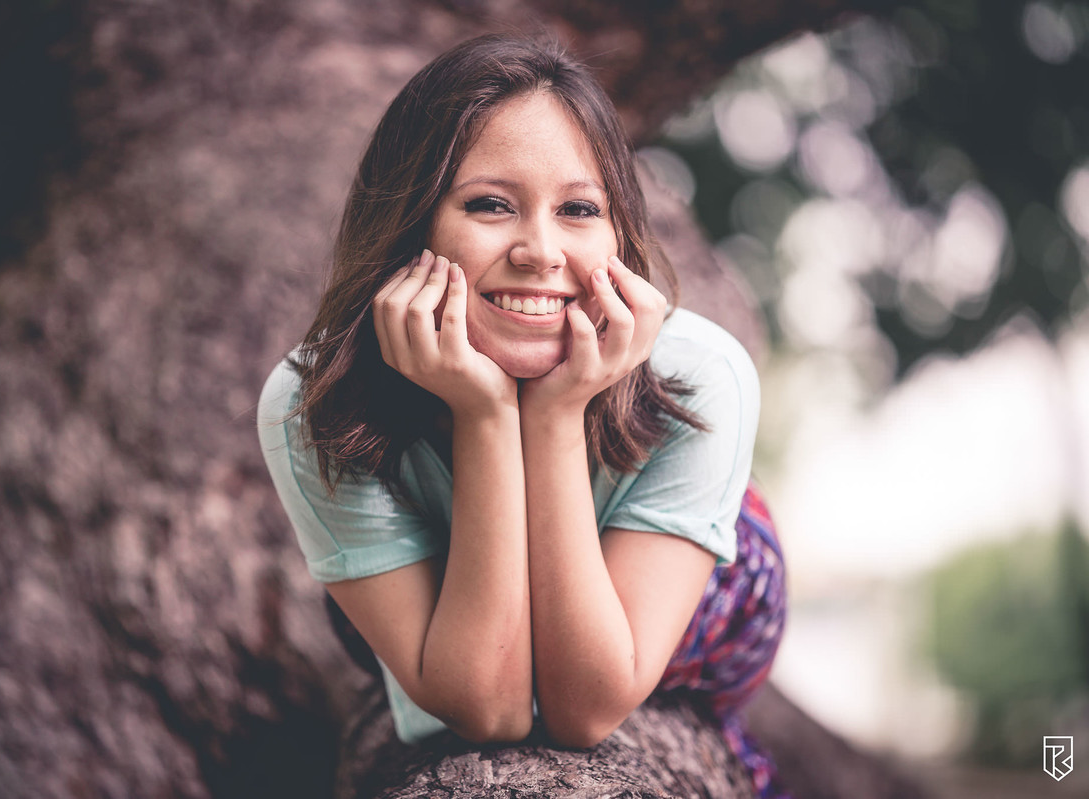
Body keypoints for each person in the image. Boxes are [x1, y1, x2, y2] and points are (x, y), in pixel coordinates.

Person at [258, 33, 788, 798]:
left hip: (693, 606)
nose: (541, 250)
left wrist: (556, 412)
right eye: (490, 204)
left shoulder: (701, 373)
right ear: (411, 224)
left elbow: (583, 711)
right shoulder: (312, 402)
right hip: (453, 594)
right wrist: (483, 414)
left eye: (579, 208)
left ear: (618, 233)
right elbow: (490, 707)